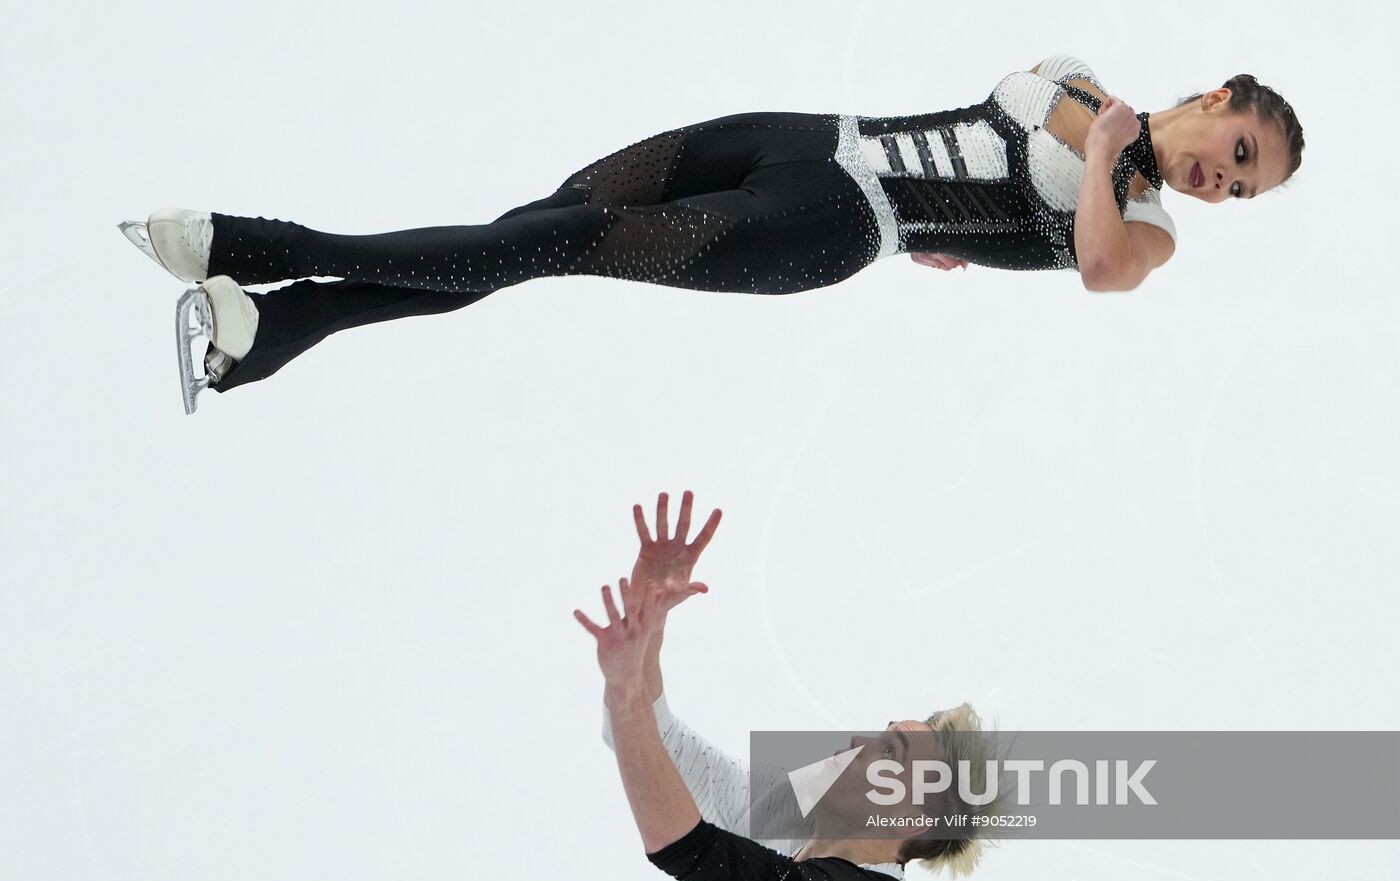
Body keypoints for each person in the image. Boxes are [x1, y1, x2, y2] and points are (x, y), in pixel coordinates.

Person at [120, 54, 1305, 411]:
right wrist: (1079, 161)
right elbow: (1025, 120)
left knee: (553, 244)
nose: (1220, 183)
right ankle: (278, 333)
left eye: (1239, 192)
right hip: (798, 134)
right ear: (1217, 97)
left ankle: (257, 247)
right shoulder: (1081, 76)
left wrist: (1104, 161)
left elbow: (1097, 263)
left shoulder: (1143, 224)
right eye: (1238, 153)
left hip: (831, 222)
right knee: (546, 218)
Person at [574, 491, 1002, 881]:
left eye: (891, 754)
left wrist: (626, 688)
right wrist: (650, 622)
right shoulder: (790, 815)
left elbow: (680, 844)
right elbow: (653, 746)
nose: (860, 742)